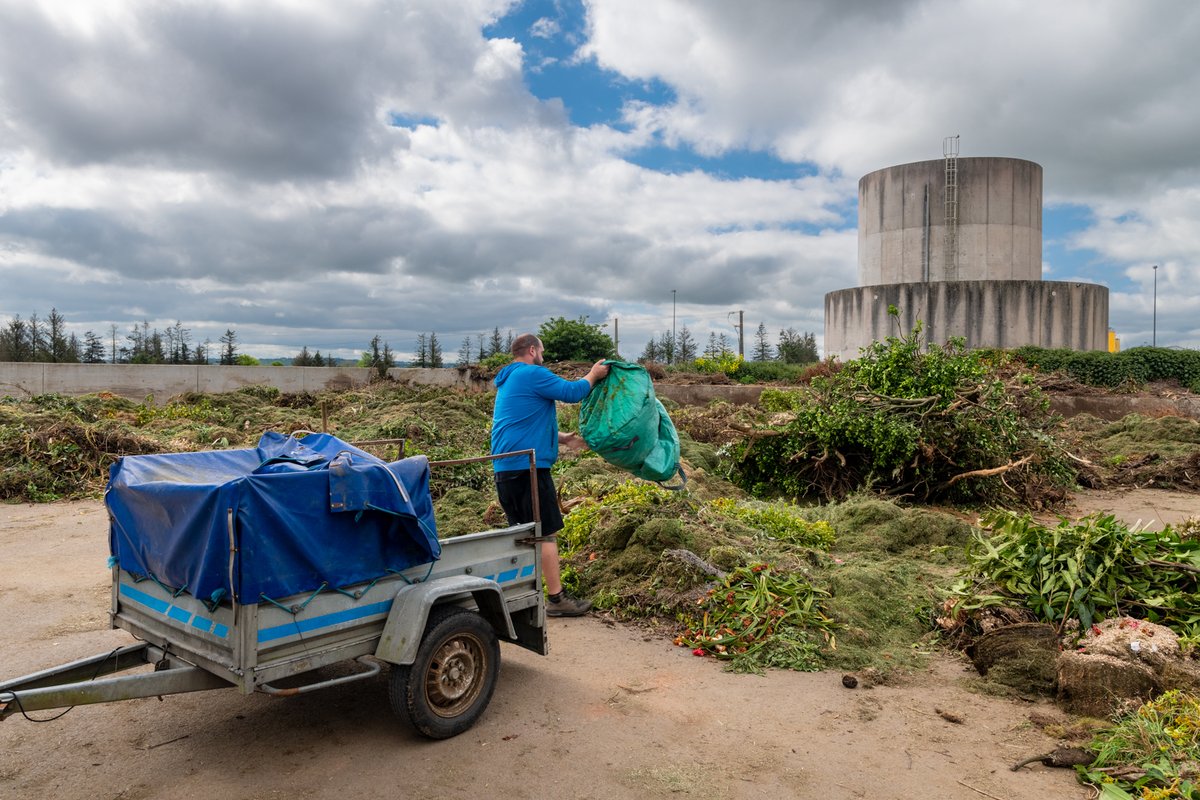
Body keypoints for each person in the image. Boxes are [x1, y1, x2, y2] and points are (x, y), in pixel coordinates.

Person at [491, 333, 609, 617]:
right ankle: (557, 600)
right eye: (541, 350)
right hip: (527, 468)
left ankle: (521, 595)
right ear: (532, 350)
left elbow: (521, 424)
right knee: (544, 534)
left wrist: (563, 438)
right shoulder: (532, 373)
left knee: (524, 535)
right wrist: (593, 374)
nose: (543, 355)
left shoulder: (510, 378)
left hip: (506, 468)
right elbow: (572, 393)